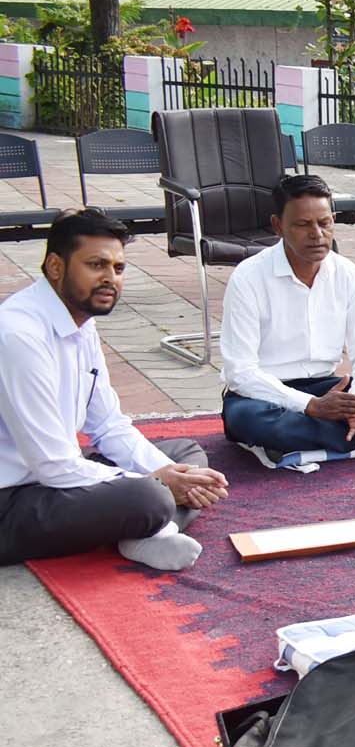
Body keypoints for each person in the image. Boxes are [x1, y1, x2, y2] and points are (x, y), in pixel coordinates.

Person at [0, 208, 227, 571]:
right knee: (151, 494)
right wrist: (158, 481)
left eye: (118, 269)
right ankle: (153, 523)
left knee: (184, 455)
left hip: (56, 477)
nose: (110, 279)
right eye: (96, 265)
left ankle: (150, 531)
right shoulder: (18, 335)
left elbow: (107, 426)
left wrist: (170, 473)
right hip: (12, 500)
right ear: (56, 267)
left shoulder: (79, 319)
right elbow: (53, 466)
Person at [219, 174, 355, 460]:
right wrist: (311, 405)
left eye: (324, 223)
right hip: (267, 394)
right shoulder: (248, 277)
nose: (317, 235)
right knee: (246, 418)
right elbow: (241, 372)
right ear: (278, 226)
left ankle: (308, 437)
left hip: (329, 387)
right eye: (303, 225)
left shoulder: (347, 273)